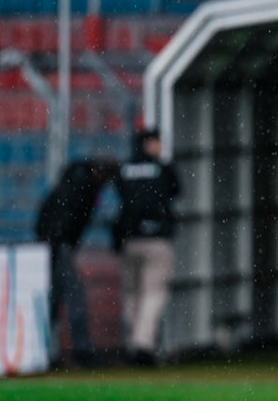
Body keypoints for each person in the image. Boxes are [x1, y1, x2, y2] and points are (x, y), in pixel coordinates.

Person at [34, 157, 111, 367]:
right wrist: (60, 245)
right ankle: (80, 351)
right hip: (59, 246)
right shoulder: (82, 189)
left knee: (55, 298)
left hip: (53, 245)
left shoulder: (71, 183)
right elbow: (65, 220)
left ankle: (44, 350)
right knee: (74, 295)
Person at [114, 128, 181, 367]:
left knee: (132, 294)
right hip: (157, 239)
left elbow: (121, 193)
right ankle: (143, 345)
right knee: (154, 294)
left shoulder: (124, 169)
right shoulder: (162, 168)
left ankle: (132, 344)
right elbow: (175, 190)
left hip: (129, 238)